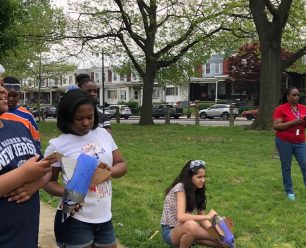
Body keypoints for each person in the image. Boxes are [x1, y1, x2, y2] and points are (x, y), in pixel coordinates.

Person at [44, 89, 127, 248]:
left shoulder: (103, 134)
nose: (86, 123)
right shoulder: (58, 145)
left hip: (104, 217)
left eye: (90, 117)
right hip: (75, 218)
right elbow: (47, 182)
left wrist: (108, 172)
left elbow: (122, 164)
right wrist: (69, 194)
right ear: (67, 117)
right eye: (79, 118)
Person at [0, 77, 54, 247]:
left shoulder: (18, 126)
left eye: (2, 85)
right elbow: (29, 171)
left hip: (27, 238)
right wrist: (24, 174)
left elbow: (46, 168)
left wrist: (35, 184)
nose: (4, 91)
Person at [160, 160, 225, 248]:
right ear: (190, 177)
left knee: (223, 240)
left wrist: (218, 233)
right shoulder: (180, 187)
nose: (203, 180)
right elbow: (181, 217)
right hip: (170, 232)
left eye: (204, 176)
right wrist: (207, 216)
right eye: (199, 177)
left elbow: (203, 221)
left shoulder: (198, 189)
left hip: (186, 229)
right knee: (192, 225)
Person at [272, 87, 306, 201]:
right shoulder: (281, 109)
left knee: (305, 165)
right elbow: (276, 126)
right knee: (286, 167)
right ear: (288, 96)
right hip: (284, 142)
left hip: (300, 142)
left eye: (298, 95)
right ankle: (289, 192)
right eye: (294, 95)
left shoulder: (303, 108)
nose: (296, 97)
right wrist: (293, 122)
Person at [0, 76, 41, 148]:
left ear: (20, 95)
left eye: (14, 95)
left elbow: (36, 143)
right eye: (8, 95)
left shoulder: (28, 116)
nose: (11, 99)